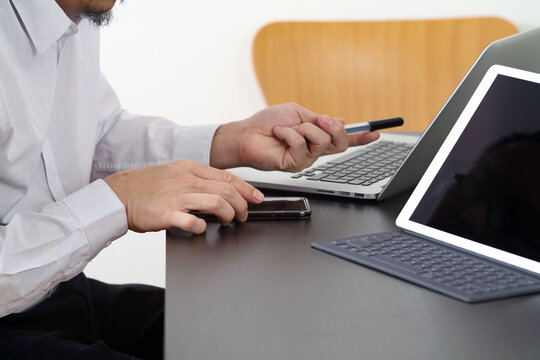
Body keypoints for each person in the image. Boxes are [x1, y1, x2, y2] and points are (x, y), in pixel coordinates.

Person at [0, 0, 379, 359]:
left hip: (55, 292)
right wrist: (117, 200)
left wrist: (233, 141)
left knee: (262, 336)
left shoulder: (71, 13)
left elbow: (95, 134)